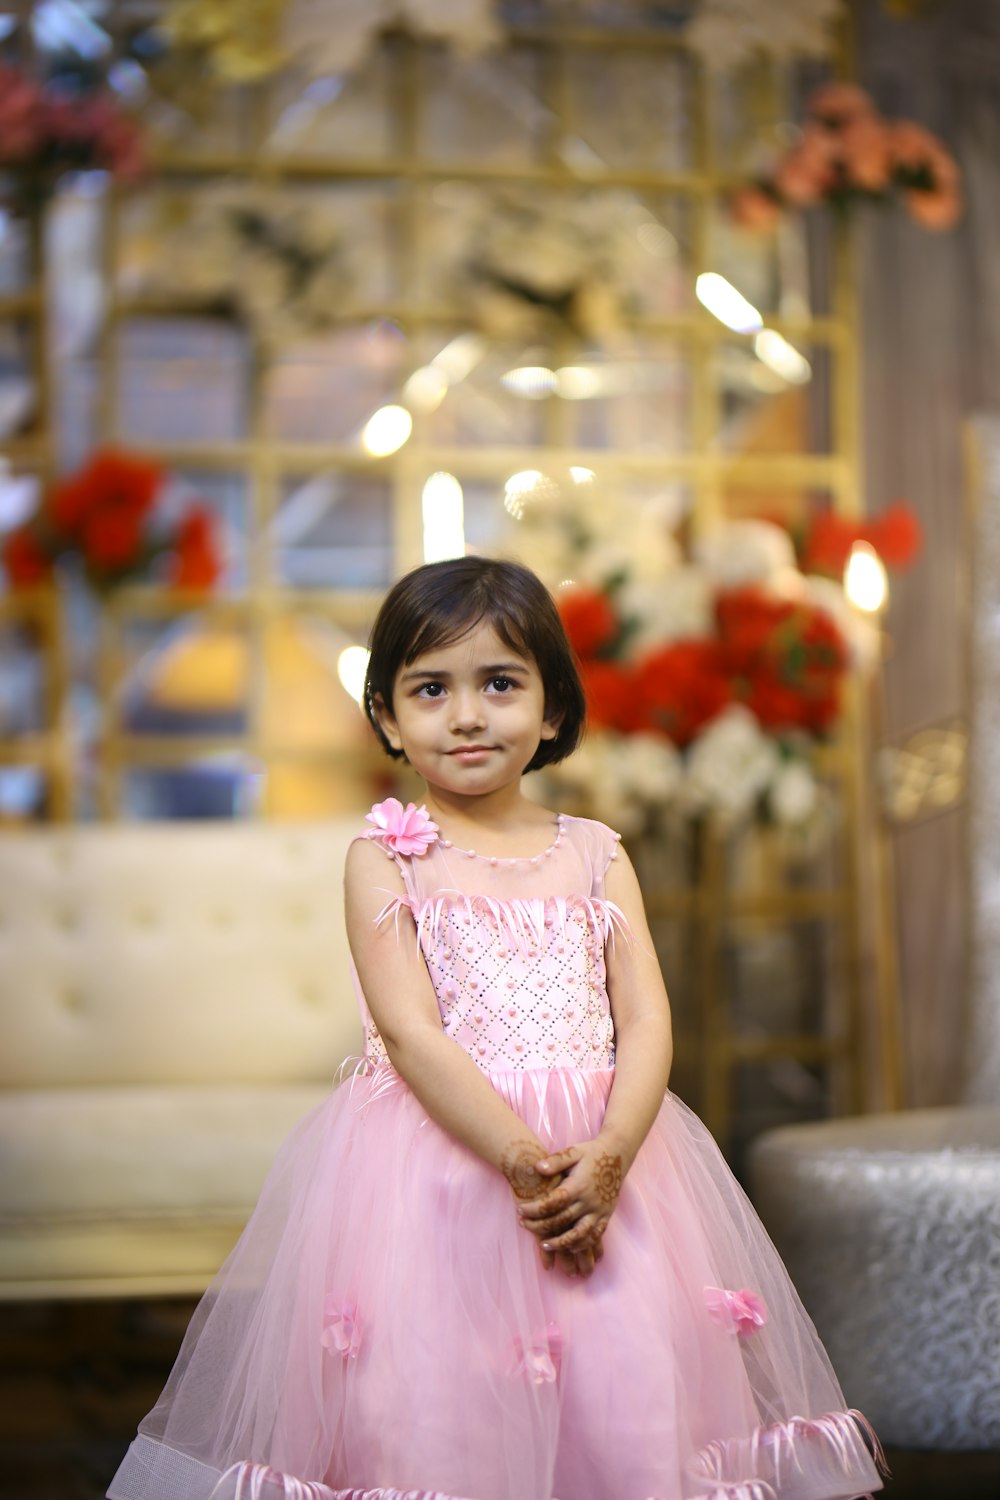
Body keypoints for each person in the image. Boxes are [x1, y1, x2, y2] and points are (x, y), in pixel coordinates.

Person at [109, 556, 887, 1500]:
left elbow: (645, 1017)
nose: (467, 714)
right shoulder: (385, 860)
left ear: (554, 708)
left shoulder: (596, 853)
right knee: (442, 1405)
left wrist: (606, 1158)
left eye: (501, 683)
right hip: (447, 1177)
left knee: (621, 1384)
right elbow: (412, 1036)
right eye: (431, 688)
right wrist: (524, 1158)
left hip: (607, 1160)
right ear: (389, 717)